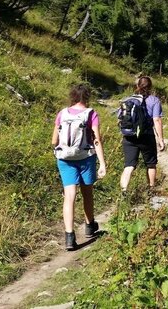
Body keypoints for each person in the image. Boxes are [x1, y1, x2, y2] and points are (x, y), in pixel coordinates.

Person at [52, 83, 107, 251]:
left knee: (69, 196)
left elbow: (54, 141)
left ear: (73, 97)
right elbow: (96, 140)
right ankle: (90, 226)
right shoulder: (91, 114)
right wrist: (103, 163)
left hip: (65, 159)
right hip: (85, 158)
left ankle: (70, 237)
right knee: (87, 192)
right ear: (87, 97)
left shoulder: (62, 113)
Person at [120, 75, 165, 193]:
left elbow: (120, 118)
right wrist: (161, 139)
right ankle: (151, 189)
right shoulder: (154, 100)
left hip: (129, 137)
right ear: (150, 87)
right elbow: (157, 120)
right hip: (146, 136)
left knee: (129, 166)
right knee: (151, 164)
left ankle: (123, 192)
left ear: (137, 86)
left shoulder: (128, 100)